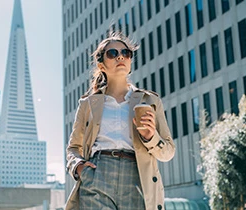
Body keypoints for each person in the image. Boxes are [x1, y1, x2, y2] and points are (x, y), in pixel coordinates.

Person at [65, 33, 175, 210]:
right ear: (101, 65)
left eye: (126, 52)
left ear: (130, 62)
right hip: (98, 174)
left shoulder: (150, 101)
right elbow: (73, 148)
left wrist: (151, 137)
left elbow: (168, 152)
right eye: (112, 53)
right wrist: (79, 168)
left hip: (137, 176)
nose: (121, 56)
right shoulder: (88, 104)